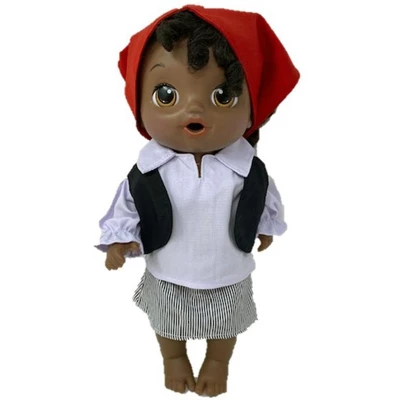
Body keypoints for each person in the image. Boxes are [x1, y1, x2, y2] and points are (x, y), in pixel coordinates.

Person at [96, 5, 299, 397]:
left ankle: (218, 361)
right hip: (168, 269)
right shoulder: (148, 171)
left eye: (222, 96)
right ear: (139, 103)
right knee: (166, 320)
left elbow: (263, 199)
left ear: (252, 109)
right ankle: (173, 357)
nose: (194, 107)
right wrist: (119, 240)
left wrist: (265, 227)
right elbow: (127, 208)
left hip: (228, 269)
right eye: (166, 94)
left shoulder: (246, 169)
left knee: (226, 323)